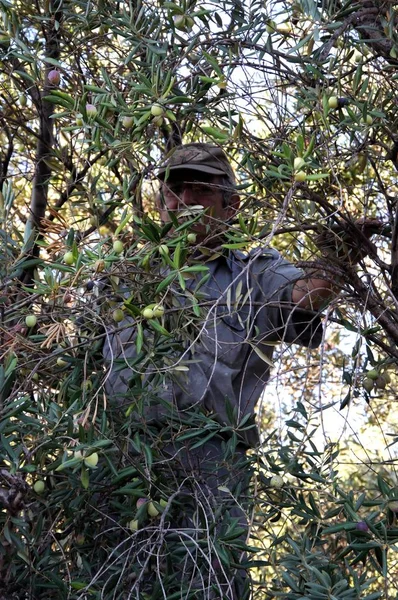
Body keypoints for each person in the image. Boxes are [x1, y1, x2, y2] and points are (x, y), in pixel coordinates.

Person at [102, 143, 358, 598]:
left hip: (211, 462)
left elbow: (302, 296)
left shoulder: (254, 272)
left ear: (230, 204)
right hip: (121, 458)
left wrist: (338, 256)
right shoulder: (126, 272)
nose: (179, 202)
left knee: (209, 585)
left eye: (196, 191)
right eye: (172, 191)